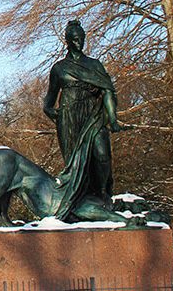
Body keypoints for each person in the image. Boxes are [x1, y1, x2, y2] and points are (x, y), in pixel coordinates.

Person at [43, 20, 125, 215]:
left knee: (102, 155)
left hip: (93, 115)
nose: (80, 43)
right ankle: (80, 198)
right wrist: (48, 110)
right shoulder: (59, 68)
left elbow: (107, 91)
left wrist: (112, 118)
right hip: (69, 118)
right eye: (76, 40)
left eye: (82, 39)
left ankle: (103, 193)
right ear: (68, 41)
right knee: (76, 161)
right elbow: (49, 98)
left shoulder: (94, 65)